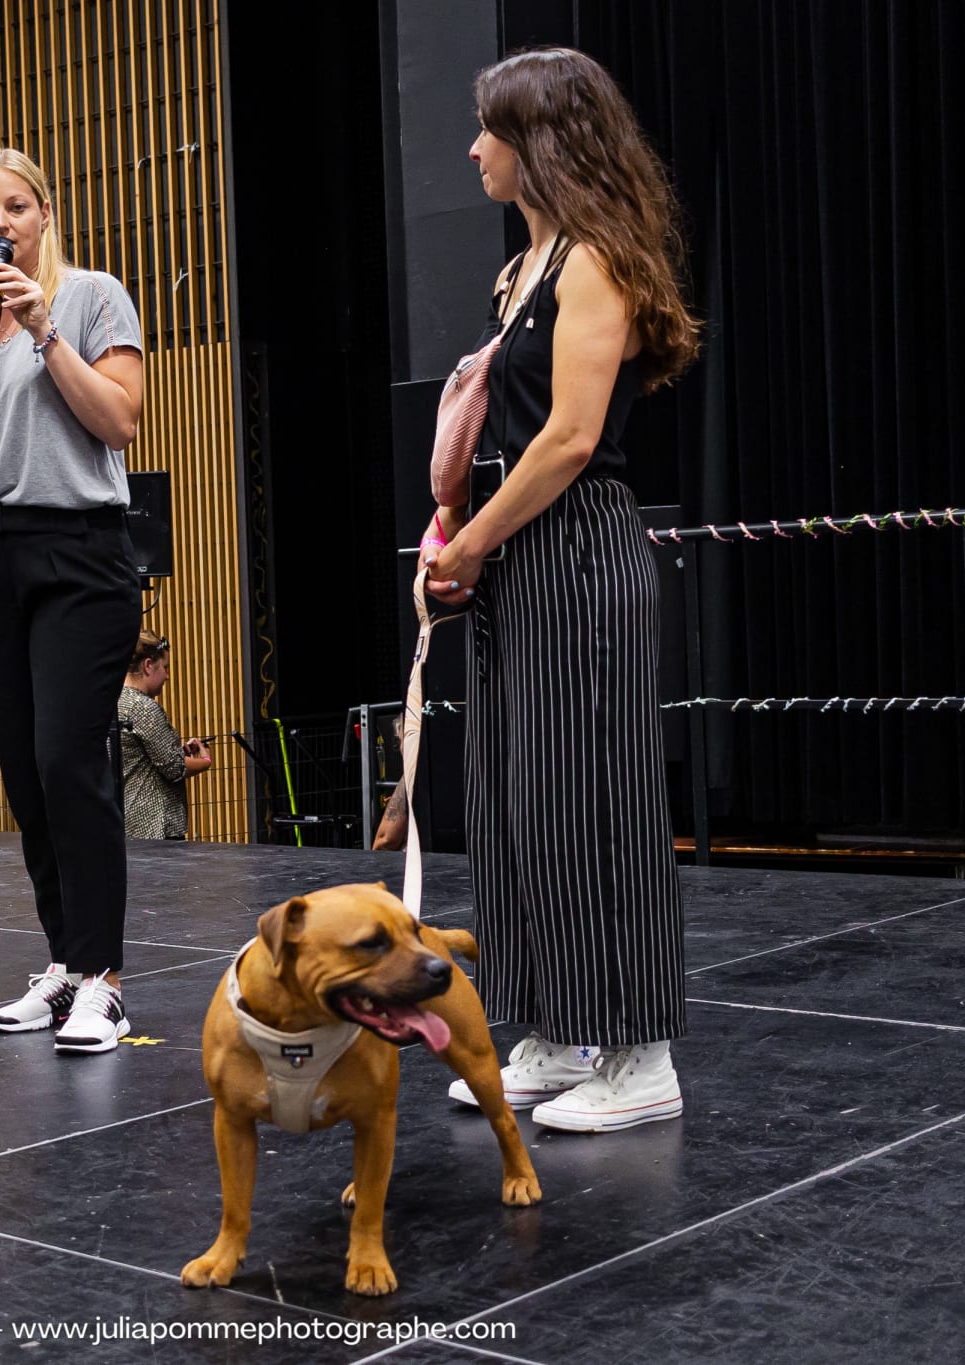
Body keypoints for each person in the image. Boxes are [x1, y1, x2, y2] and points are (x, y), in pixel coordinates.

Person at [421, 48, 701, 1133]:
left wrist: (475, 541)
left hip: (573, 549)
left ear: (539, 143)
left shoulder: (595, 261)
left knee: (596, 804)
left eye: (490, 128)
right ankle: (544, 1026)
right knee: (512, 801)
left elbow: (571, 439)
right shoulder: (518, 274)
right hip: (509, 550)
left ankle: (640, 1054)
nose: (474, 148)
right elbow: (490, 437)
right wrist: (447, 542)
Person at [0, 147, 145, 1054]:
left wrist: (46, 330)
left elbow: (122, 420)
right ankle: (64, 962)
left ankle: (104, 979)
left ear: (45, 213)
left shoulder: (92, 297)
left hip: (81, 552)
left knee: (67, 759)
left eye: (16, 206)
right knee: (24, 773)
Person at [116, 632, 211, 840]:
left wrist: (176, 752)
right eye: (165, 667)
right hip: (155, 823)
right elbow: (174, 768)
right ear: (148, 665)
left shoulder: (115, 700)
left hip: (125, 817)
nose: (167, 676)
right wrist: (205, 760)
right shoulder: (143, 707)